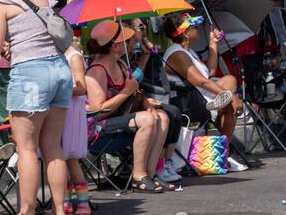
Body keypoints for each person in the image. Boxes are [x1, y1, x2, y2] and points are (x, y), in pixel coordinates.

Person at [0, 0, 73, 215]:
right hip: (60, 69)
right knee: (52, 146)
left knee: (26, 148)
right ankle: (59, 212)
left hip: (32, 75)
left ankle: (26, 213)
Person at [85, 20, 176, 192]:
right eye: (126, 42)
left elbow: (134, 91)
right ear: (115, 46)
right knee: (147, 120)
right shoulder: (96, 71)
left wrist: (144, 101)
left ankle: (151, 173)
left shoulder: (121, 64)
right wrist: (126, 91)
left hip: (120, 120)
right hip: (98, 129)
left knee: (162, 117)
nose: (130, 44)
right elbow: (98, 111)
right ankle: (138, 176)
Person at [161, 13, 245, 154]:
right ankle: (222, 151)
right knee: (230, 104)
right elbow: (201, 81)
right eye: (194, 26)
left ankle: (222, 151)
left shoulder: (189, 52)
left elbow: (210, 72)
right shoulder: (176, 54)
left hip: (200, 95)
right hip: (189, 103)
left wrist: (213, 43)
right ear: (186, 33)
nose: (198, 28)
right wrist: (231, 95)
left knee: (230, 79)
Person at [61, 41, 92, 215]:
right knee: (59, 157)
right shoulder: (58, 55)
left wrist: (59, 89)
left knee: (70, 158)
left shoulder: (74, 56)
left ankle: (82, 201)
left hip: (70, 109)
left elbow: (81, 88)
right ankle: (64, 201)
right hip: (60, 108)